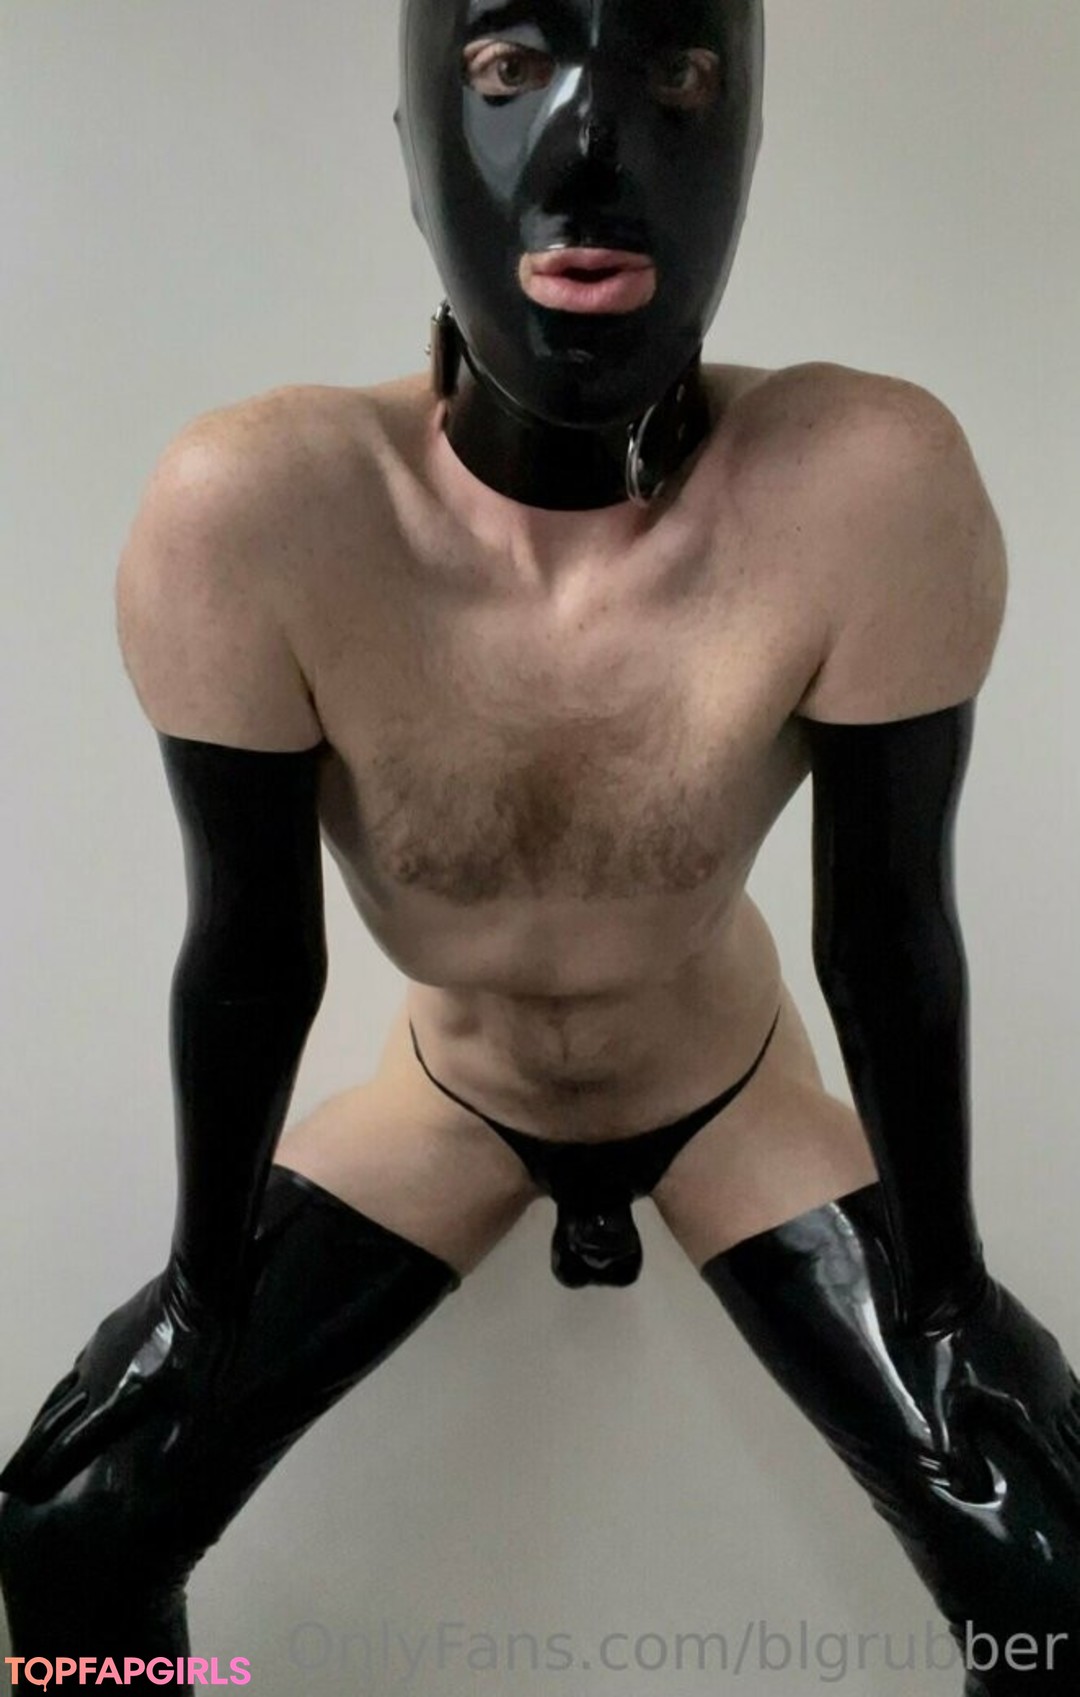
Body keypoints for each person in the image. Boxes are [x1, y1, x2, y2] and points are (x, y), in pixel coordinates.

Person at [2, 1, 1079, 1691]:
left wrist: (947, 1304)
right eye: (509, 71)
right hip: (453, 1093)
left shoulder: (865, 489)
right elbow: (253, 948)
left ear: (745, 140)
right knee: (68, 1536)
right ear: (418, 139)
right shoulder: (263, 515)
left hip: (725, 1083)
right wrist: (202, 1301)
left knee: (1060, 1571)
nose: (591, 147)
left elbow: (886, 937)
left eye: (681, 77)